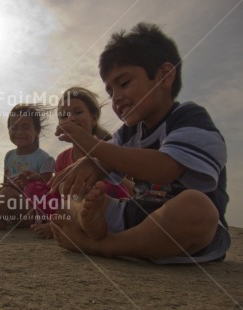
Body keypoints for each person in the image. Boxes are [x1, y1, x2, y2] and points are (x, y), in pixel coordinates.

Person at [49, 22, 230, 264]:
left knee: (196, 207)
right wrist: (90, 165)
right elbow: (106, 162)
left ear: (164, 75)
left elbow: (164, 168)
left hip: (183, 226)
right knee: (71, 193)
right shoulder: (128, 132)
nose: (117, 98)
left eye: (123, 84)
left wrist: (93, 145)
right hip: (137, 216)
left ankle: (99, 246)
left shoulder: (189, 117)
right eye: (111, 92)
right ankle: (92, 223)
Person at [31, 86, 132, 239]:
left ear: (93, 118)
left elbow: (126, 181)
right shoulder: (62, 158)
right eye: (64, 116)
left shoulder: (107, 148)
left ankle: (77, 223)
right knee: (36, 189)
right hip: (71, 206)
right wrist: (39, 180)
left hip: (103, 201)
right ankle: (67, 222)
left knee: (102, 187)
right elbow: (58, 192)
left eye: (78, 112)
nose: (70, 118)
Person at [0, 103, 55, 231]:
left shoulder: (45, 159)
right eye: (14, 127)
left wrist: (28, 183)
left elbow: (49, 192)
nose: (19, 132)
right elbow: (4, 187)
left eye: (25, 127)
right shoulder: (9, 156)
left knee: (8, 191)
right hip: (11, 209)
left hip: (33, 212)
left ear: (37, 131)